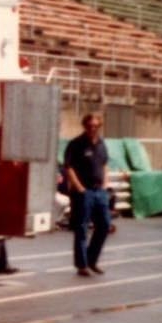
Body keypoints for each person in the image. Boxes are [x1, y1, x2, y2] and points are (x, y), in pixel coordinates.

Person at [64, 113, 111, 277]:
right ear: (84, 126)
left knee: (104, 225)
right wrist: (80, 188)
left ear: (99, 126)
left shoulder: (101, 144)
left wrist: (105, 185)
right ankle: (82, 265)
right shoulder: (76, 144)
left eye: (95, 126)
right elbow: (68, 168)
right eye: (89, 126)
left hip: (100, 191)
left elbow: (105, 165)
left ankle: (92, 260)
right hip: (84, 192)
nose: (92, 128)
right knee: (82, 228)